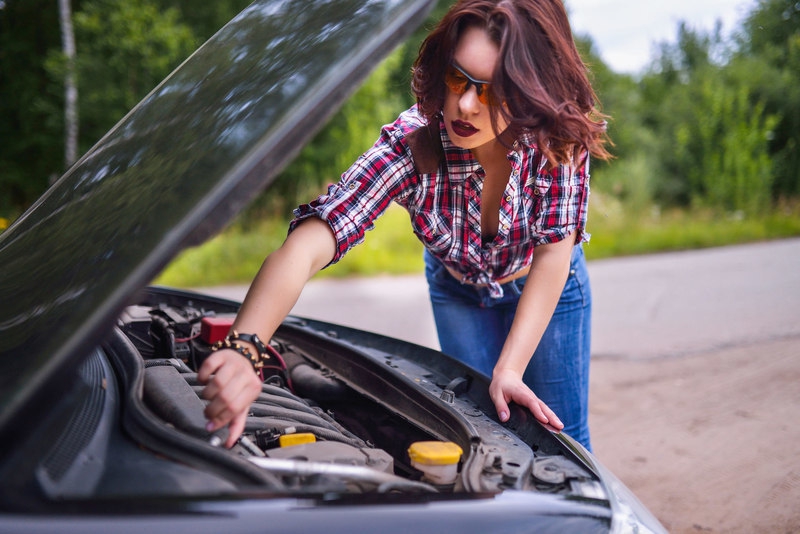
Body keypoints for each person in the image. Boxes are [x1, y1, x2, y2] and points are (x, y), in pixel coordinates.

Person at [198, 0, 611, 451]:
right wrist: (244, 348)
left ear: (529, 94)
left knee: (565, 438)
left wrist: (510, 368)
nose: (466, 104)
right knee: (484, 437)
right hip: (458, 292)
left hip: (549, 282)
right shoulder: (413, 144)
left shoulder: (558, 139)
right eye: (458, 78)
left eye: (492, 91)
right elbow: (313, 239)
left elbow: (554, 252)